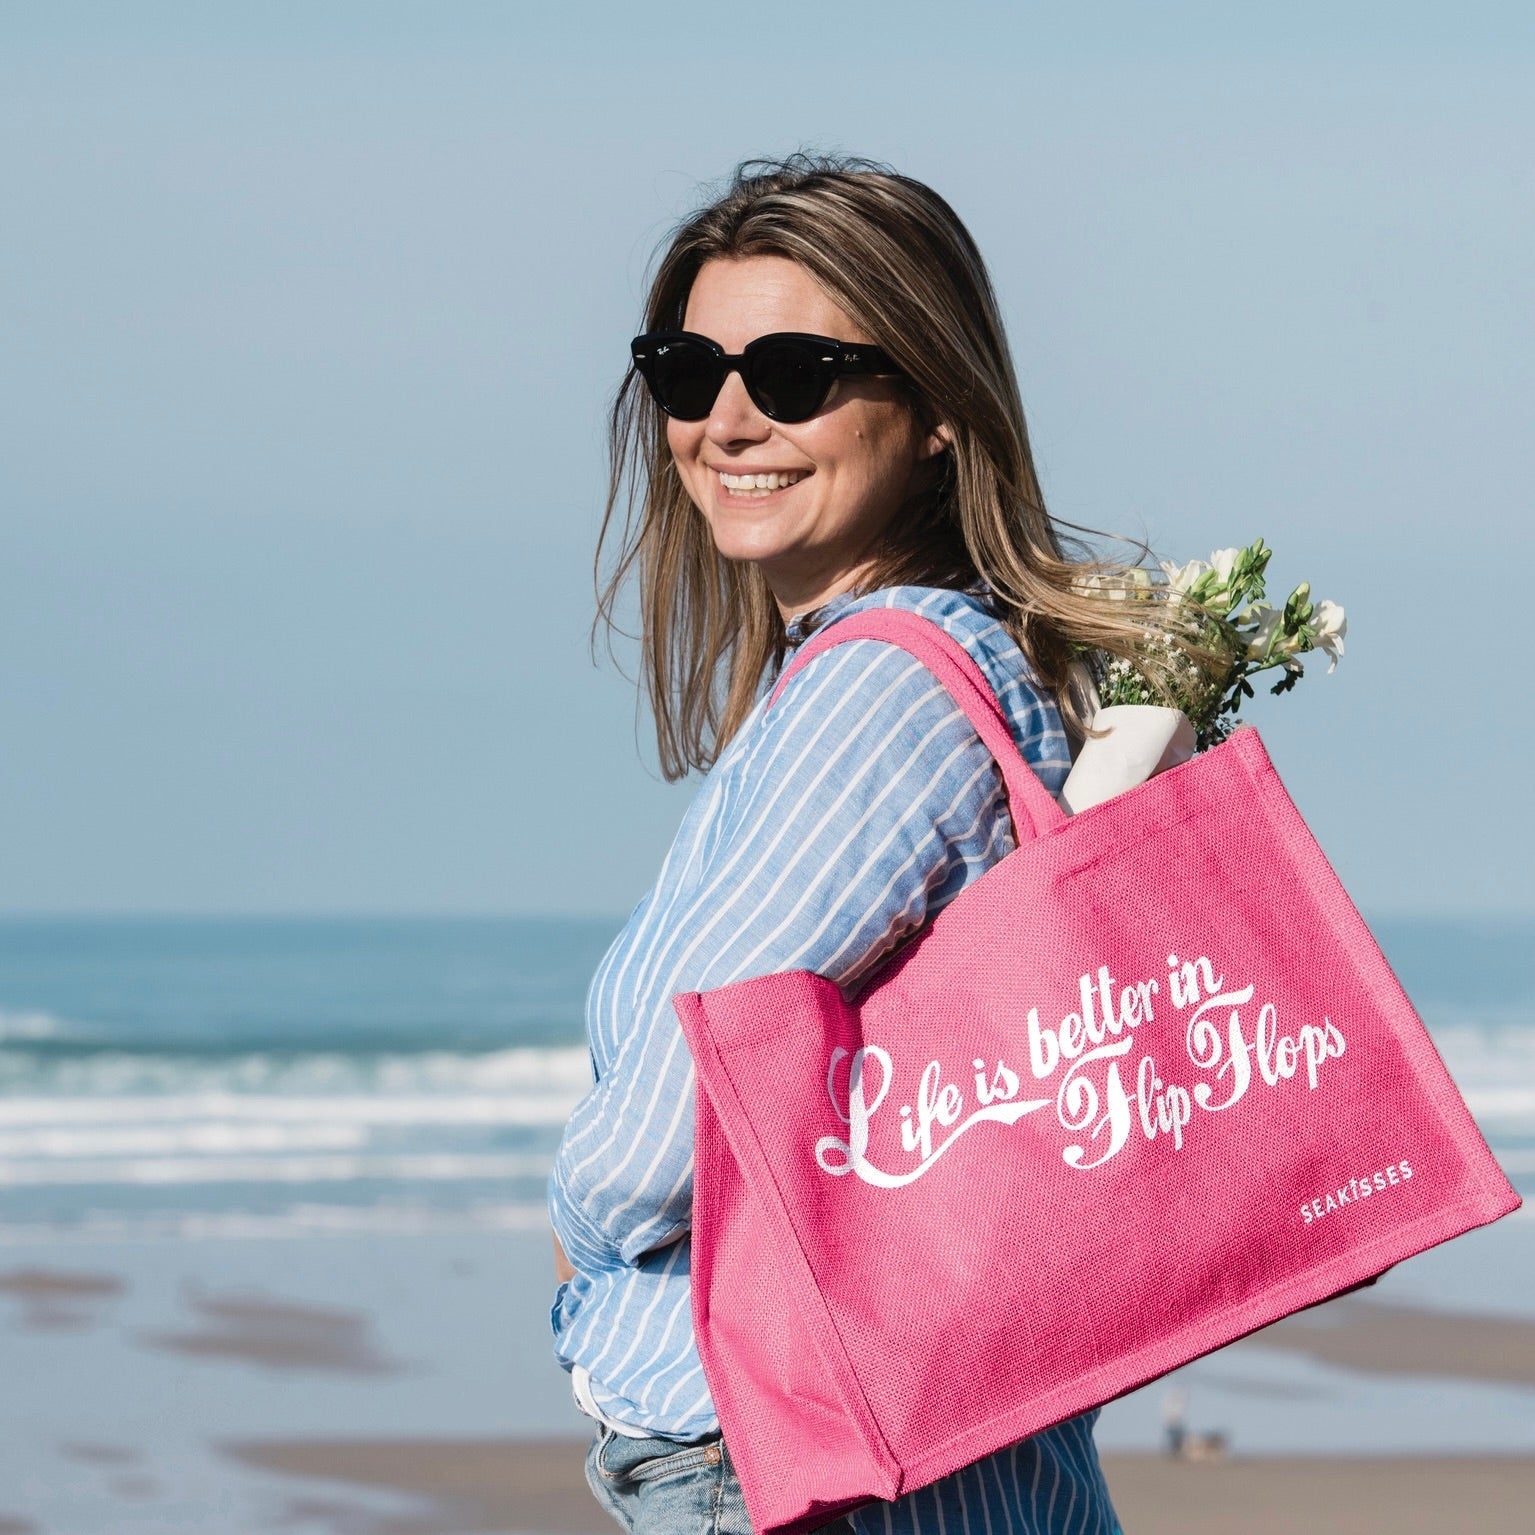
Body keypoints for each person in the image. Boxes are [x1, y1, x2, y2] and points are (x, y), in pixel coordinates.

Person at [548, 154, 1158, 1535]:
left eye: (799, 371)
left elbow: (680, 1101)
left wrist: (581, 1239)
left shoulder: (882, 695)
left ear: (938, 405)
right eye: (688, 372)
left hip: (794, 1459)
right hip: (935, 1440)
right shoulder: (923, 672)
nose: (732, 417)